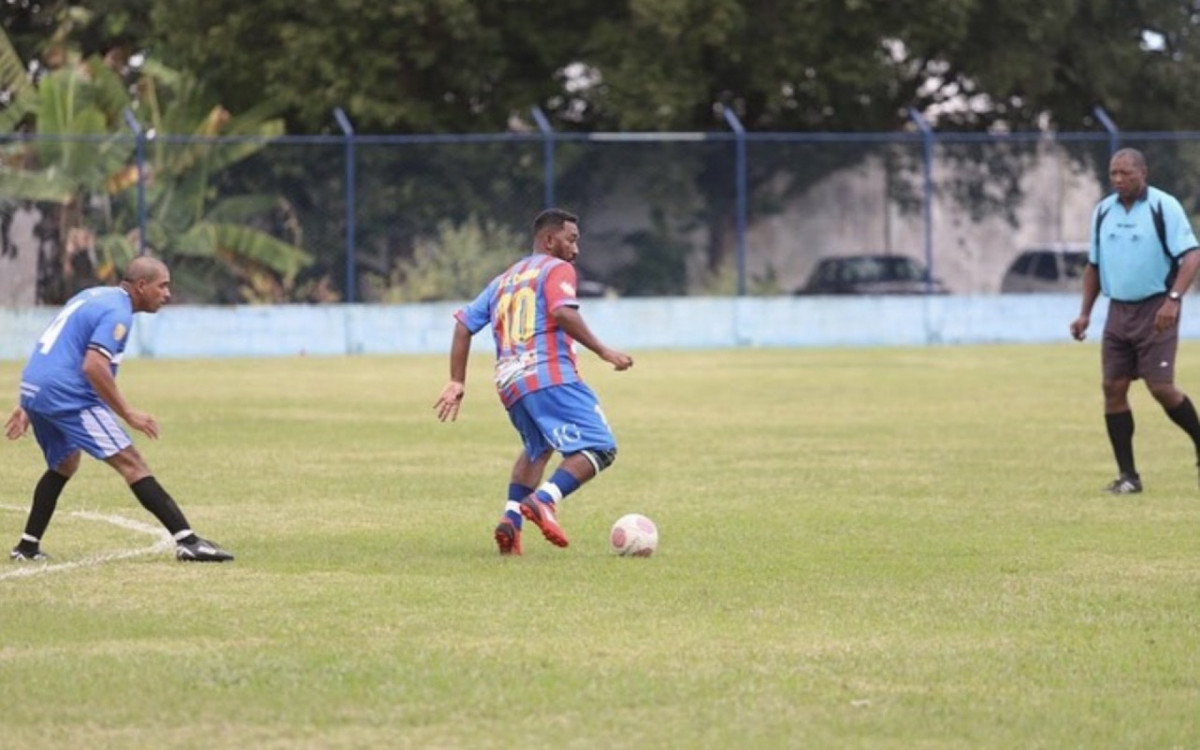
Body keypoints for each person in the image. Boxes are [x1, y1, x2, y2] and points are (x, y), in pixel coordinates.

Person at [4, 255, 234, 562]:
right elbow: (93, 366)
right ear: (141, 286)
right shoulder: (118, 313)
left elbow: (58, 345)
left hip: (37, 387)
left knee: (65, 463)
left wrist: (30, 403)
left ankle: (27, 548)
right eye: (162, 286)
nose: (167, 294)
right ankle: (188, 542)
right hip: (67, 395)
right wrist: (128, 413)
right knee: (132, 462)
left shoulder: (94, 295)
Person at [434, 208, 633, 555]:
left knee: (538, 448)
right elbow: (560, 311)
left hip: (511, 383)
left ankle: (511, 518)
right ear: (549, 240)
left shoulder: (504, 279)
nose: (576, 249)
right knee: (600, 447)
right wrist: (604, 351)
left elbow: (464, 324)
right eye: (571, 240)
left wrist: (456, 380)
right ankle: (544, 500)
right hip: (549, 375)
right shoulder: (558, 268)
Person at [1070, 147, 1200, 494]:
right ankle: (1128, 476)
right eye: (1113, 173)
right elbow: (1094, 266)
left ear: (1143, 173)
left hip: (1156, 308)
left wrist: (1173, 299)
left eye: (1125, 173)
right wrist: (1085, 313)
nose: (1118, 179)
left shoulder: (1163, 206)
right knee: (1113, 388)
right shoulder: (1103, 212)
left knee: (1161, 388)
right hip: (1118, 312)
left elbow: (1191, 256)